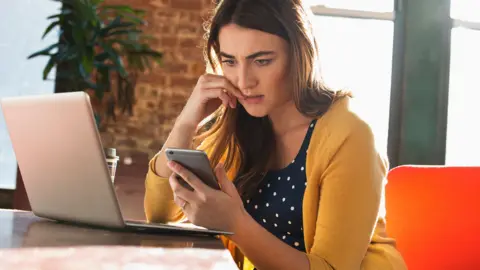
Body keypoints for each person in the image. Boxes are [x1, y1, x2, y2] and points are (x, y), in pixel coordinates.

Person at [144, 0, 407, 269]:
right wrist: (187, 122)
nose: (244, 81)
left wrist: (235, 224)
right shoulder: (243, 123)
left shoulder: (350, 135)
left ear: (300, 55)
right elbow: (161, 214)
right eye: (230, 61)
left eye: (262, 61)